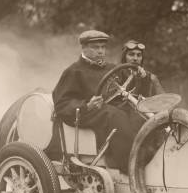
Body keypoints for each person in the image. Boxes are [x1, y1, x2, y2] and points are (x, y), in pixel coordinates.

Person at [52, 30, 137, 172]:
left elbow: (131, 84)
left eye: (103, 47)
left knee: (137, 113)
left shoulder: (111, 68)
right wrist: (86, 105)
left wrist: (141, 75)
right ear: (84, 48)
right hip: (86, 114)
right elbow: (61, 103)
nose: (100, 51)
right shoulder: (73, 71)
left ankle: (148, 155)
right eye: (95, 47)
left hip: (108, 109)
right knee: (115, 116)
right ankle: (129, 166)